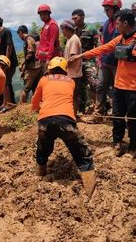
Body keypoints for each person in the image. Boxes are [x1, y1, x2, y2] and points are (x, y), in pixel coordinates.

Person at [71, 9, 136, 157]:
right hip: (119, 85)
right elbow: (103, 48)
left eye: (118, 23)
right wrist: (82, 55)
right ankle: (117, 142)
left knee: (132, 116)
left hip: (135, 88)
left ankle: (133, 146)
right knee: (117, 115)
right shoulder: (119, 39)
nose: (116, 26)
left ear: (125, 23)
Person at [31, 57, 95, 197]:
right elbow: (71, 101)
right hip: (66, 120)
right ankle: (90, 192)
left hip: (45, 120)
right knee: (82, 154)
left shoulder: (43, 80)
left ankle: (40, 176)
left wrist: (38, 109)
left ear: (50, 68)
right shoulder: (71, 82)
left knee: (42, 149)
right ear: (65, 70)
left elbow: (35, 102)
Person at [96, 0, 122, 116]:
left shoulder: (121, 23)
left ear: (116, 9)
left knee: (117, 89)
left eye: (108, 10)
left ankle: (116, 112)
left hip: (117, 63)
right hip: (105, 61)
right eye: (105, 10)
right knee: (101, 86)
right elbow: (104, 42)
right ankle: (99, 112)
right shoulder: (106, 24)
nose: (106, 13)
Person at [72, 8, 100, 114]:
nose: (74, 20)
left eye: (76, 18)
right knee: (79, 87)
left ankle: (98, 107)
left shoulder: (91, 29)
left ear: (82, 17)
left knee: (94, 83)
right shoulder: (73, 30)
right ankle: (81, 110)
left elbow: (98, 45)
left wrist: (98, 60)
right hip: (76, 63)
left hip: (89, 61)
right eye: (73, 18)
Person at [0, 14, 18, 112]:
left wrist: (6, 61)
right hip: (2, 62)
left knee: (5, 83)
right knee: (4, 82)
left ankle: (8, 103)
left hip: (9, 62)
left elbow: (9, 47)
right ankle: (5, 103)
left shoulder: (6, 32)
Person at [61, 20, 83, 116]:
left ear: (68, 29)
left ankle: (73, 115)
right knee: (72, 95)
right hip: (71, 73)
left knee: (73, 96)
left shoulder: (73, 39)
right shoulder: (70, 39)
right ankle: (72, 114)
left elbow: (72, 58)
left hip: (74, 74)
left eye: (63, 29)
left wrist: (62, 67)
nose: (62, 31)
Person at [17, 25, 42, 103]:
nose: (19, 37)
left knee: (26, 88)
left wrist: (24, 66)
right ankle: (36, 104)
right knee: (36, 87)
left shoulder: (28, 39)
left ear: (21, 33)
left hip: (33, 68)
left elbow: (30, 53)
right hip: (37, 66)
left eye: (19, 35)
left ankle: (22, 107)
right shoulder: (30, 39)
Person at [36, 4, 60, 72]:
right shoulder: (46, 24)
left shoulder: (52, 25)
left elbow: (52, 43)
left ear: (49, 14)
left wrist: (49, 59)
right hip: (43, 58)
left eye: (44, 14)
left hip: (49, 59)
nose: (42, 16)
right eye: (40, 15)